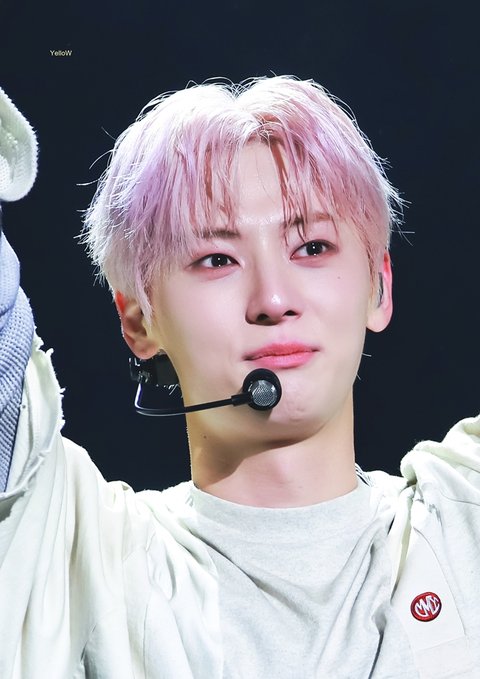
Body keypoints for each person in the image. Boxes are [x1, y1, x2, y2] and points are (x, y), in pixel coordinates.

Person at [0, 77, 479, 679]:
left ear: (378, 287)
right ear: (138, 319)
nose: (274, 299)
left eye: (312, 247)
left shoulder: (464, 514)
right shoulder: (79, 549)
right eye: (216, 259)